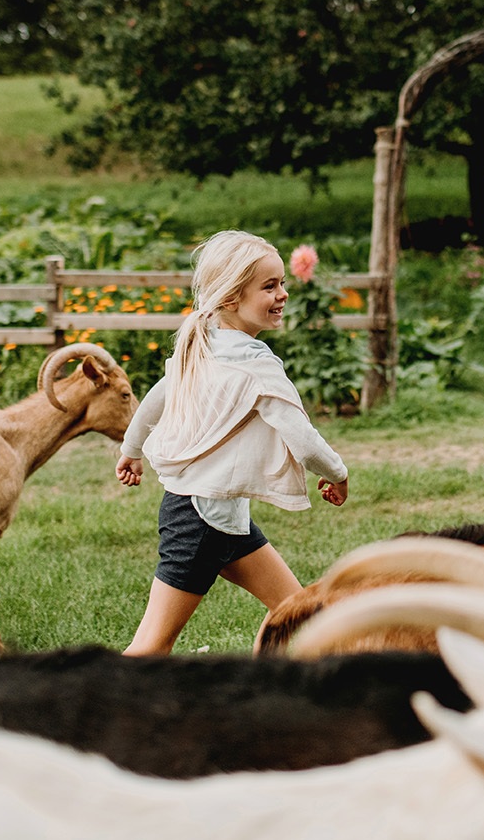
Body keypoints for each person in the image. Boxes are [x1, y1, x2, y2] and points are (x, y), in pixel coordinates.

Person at [115, 230, 349, 655]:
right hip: (201, 520)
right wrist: (338, 473)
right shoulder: (254, 362)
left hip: (221, 518)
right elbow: (304, 439)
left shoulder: (204, 343)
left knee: (295, 609)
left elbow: (154, 399)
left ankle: (265, 686)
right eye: (269, 286)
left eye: (282, 282)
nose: (283, 294)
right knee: (150, 648)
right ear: (228, 299)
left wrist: (131, 449)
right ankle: (85, 708)